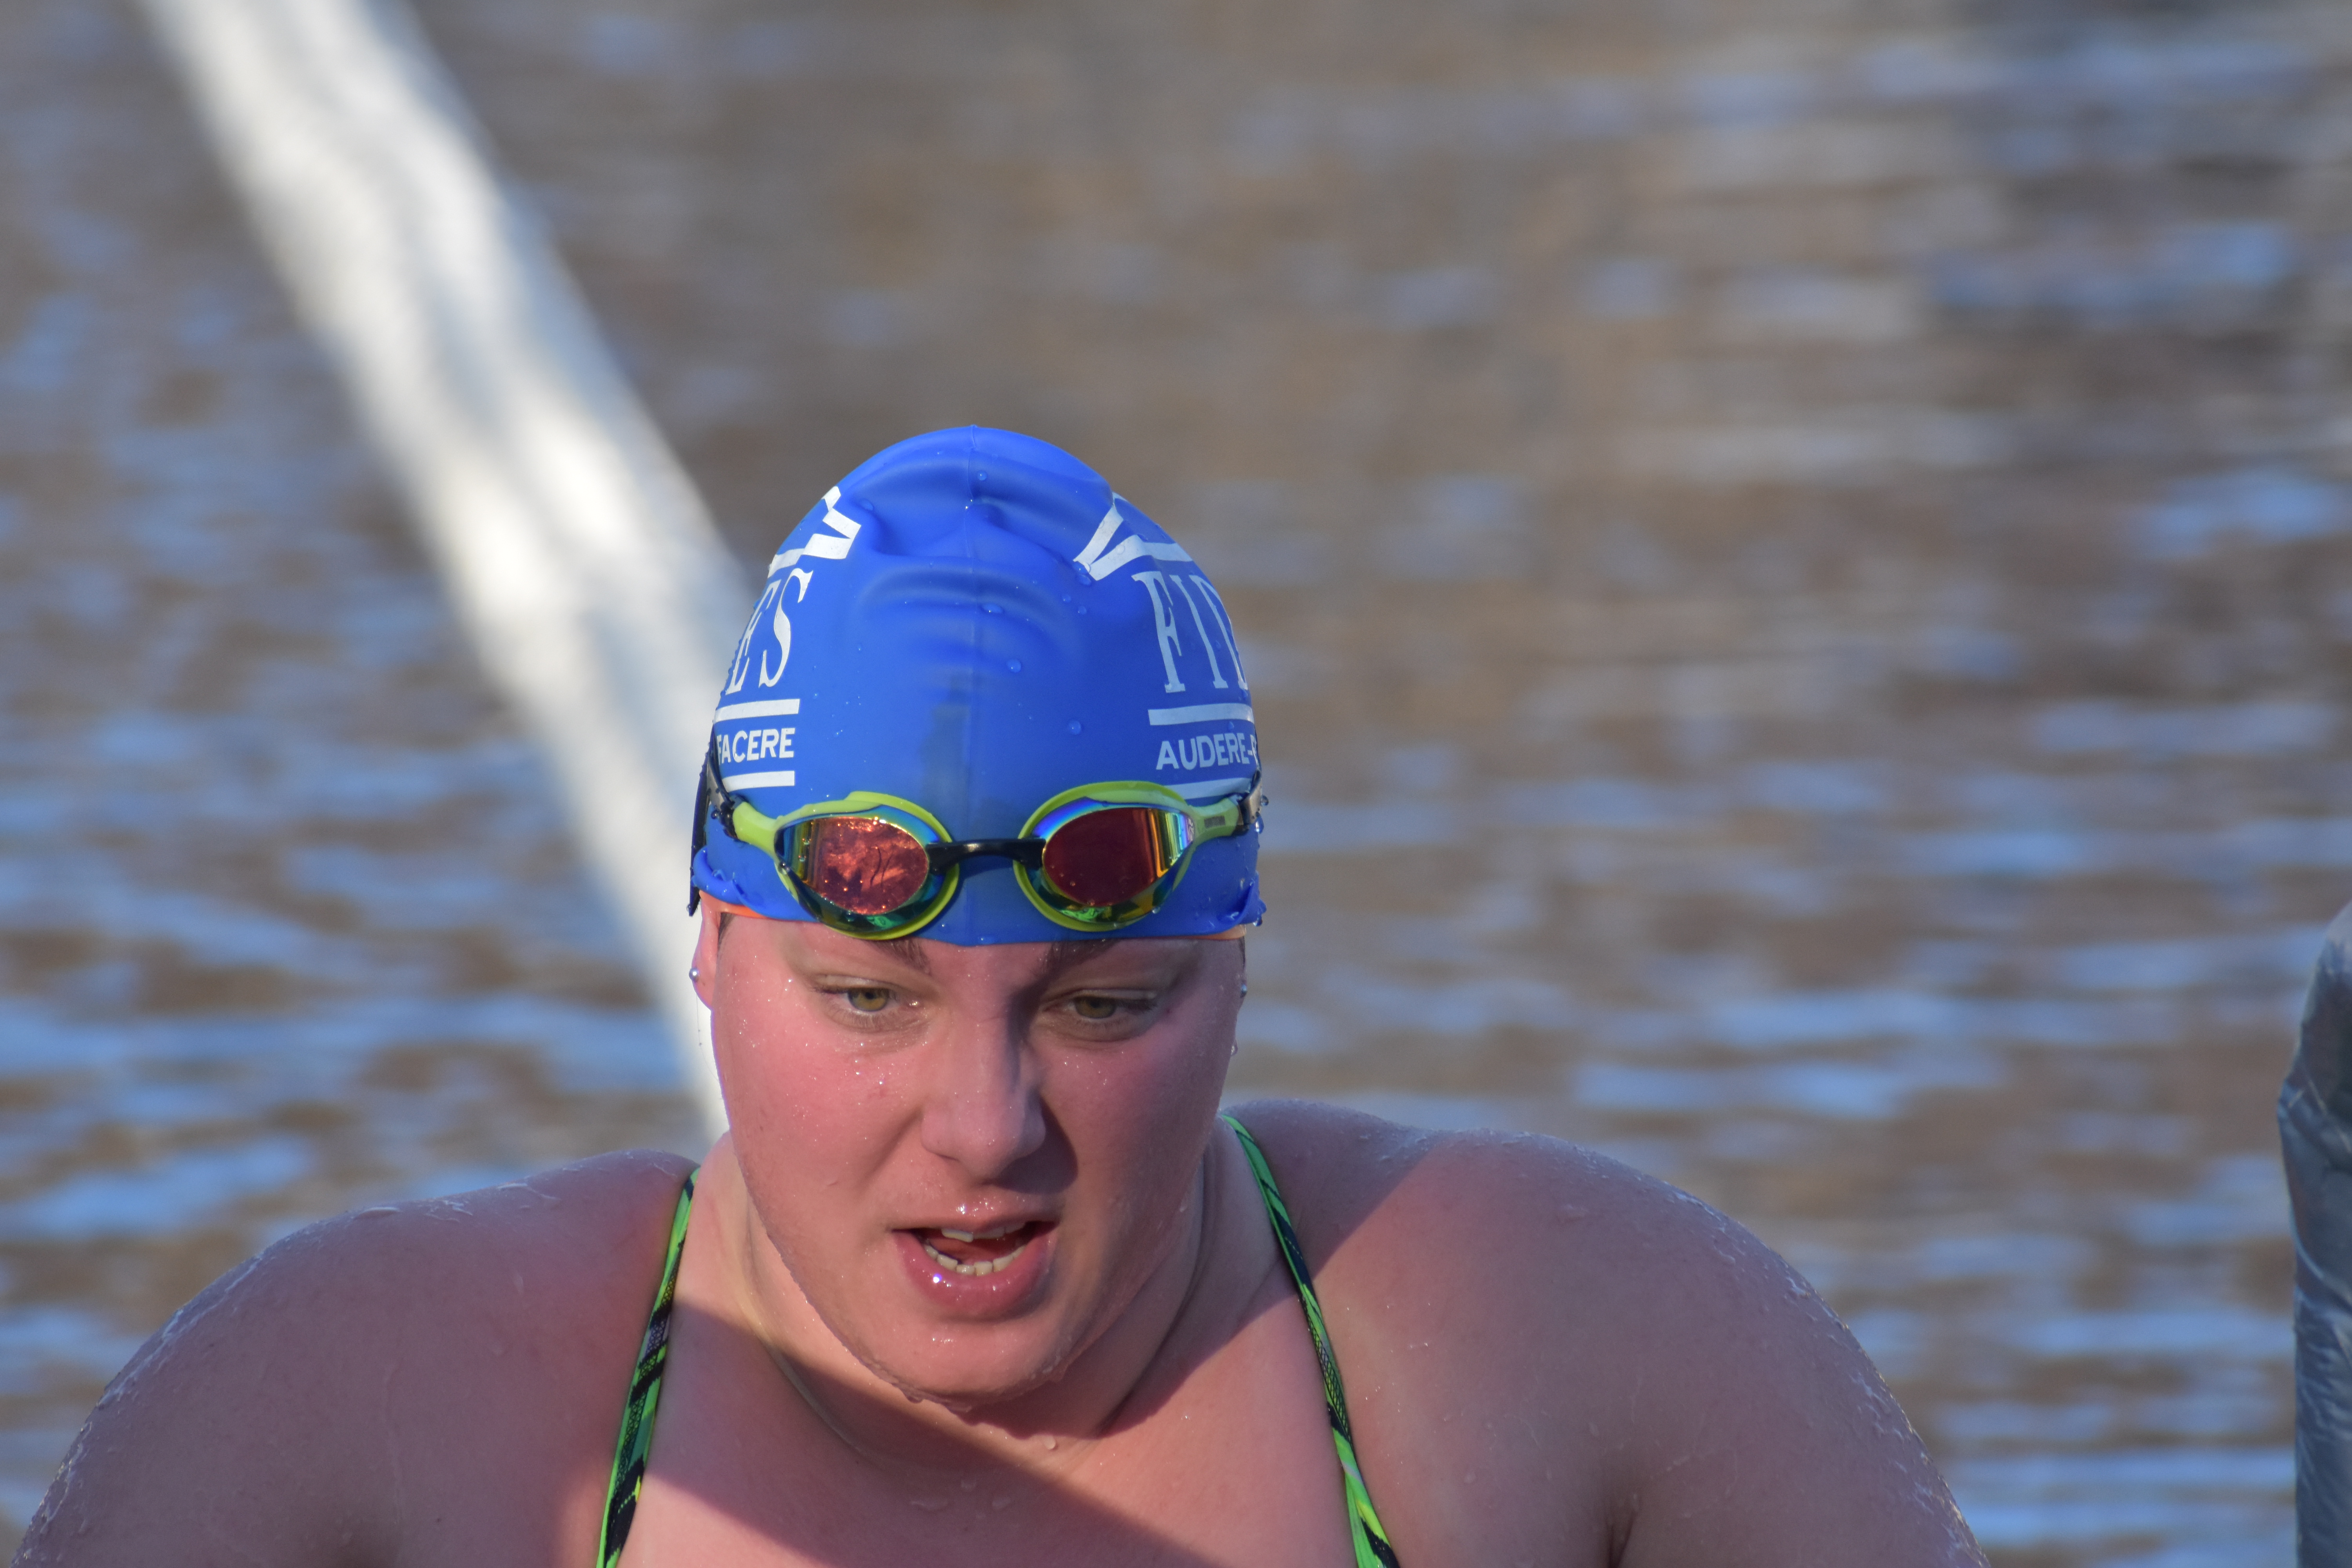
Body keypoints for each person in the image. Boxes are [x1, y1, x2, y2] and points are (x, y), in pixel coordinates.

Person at [15, 428, 1984, 1566]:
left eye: (1101, 1006)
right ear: (711, 945)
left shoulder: (1573, 1342)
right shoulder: (355, 1414)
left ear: (1232, 967)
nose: (985, 1127)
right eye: (866, 997)